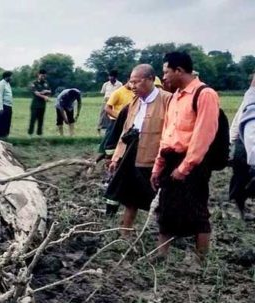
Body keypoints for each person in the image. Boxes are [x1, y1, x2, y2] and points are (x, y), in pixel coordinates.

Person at [150, 52, 220, 259]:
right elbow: (167, 134)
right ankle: (161, 255)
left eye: (166, 72)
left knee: (196, 209)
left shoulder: (205, 94)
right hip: (171, 158)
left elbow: (203, 135)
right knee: (166, 207)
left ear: (179, 70)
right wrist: (158, 166)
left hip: (193, 163)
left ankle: (202, 260)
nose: (164, 78)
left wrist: (185, 167)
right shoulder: (174, 97)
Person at [105, 64, 172, 232]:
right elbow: (125, 131)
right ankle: (124, 233)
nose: (132, 86)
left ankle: (165, 236)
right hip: (133, 155)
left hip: (156, 159)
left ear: (150, 80)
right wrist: (116, 157)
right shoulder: (134, 102)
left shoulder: (168, 100)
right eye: (131, 82)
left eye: (137, 82)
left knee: (161, 200)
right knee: (130, 197)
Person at [228, 74, 255, 217]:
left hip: (247, 144)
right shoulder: (250, 99)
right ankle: (238, 206)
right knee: (241, 177)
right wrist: (231, 142)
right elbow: (239, 120)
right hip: (244, 144)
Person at [28, 70, 52, 136]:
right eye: (42, 75)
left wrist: (46, 91)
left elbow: (50, 91)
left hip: (42, 105)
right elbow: (36, 93)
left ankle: (39, 134)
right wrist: (44, 97)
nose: (43, 77)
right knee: (33, 120)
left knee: (41, 120)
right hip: (35, 105)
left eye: (44, 76)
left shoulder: (46, 83)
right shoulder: (34, 83)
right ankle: (30, 134)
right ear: (38, 75)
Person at [98, 70, 122, 135]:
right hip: (106, 102)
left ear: (115, 77)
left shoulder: (119, 84)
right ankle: (99, 130)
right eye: (110, 76)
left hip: (114, 104)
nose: (111, 78)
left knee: (112, 117)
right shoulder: (105, 84)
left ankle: (112, 131)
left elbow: (120, 94)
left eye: (112, 77)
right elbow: (103, 93)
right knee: (102, 117)